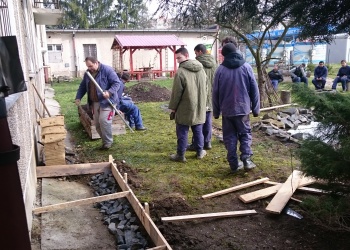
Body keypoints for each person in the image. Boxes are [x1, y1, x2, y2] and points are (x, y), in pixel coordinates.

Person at [212, 43, 260, 173]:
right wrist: (256, 108)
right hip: (243, 108)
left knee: (229, 136)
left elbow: (215, 92)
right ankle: (246, 159)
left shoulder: (220, 70)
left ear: (224, 56)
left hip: (227, 110)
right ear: (236, 52)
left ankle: (233, 164)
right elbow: (254, 90)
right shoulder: (246, 67)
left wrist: (216, 112)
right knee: (245, 133)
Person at [168, 47, 207, 162]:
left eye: (179, 58)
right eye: (176, 58)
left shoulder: (180, 72)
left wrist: (173, 108)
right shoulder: (201, 70)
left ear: (186, 55)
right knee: (198, 129)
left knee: (182, 131)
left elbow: (176, 93)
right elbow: (206, 87)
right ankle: (200, 152)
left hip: (184, 107)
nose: (178, 60)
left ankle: (181, 155)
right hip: (199, 106)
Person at [75, 56, 121, 150]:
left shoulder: (107, 70)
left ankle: (108, 142)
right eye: (88, 66)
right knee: (97, 124)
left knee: (104, 121)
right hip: (95, 102)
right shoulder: (88, 73)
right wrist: (78, 97)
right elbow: (83, 86)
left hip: (107, 101)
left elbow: (117, 83)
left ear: (96, 62)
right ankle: (105, 141)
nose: (89, 68)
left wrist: (109, 92)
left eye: (91, 66)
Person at [187, 44, 217, 151]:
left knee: (198, 121)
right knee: (208, 120)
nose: (195, 55)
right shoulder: (215, 64)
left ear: (200, 52)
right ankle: (207, 142)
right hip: (211, 97)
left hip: (200, 96)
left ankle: (197, 143)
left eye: (195, 53)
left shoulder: (197, 64)